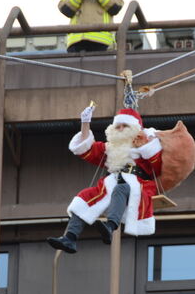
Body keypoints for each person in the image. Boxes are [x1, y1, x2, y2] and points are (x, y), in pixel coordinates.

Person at [47, 106, 163, 254]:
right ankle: (69, 238)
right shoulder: (110, 148)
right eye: (118, 126)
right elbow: (86, 149)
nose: (120, 129)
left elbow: (158, 167)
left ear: (135, 128)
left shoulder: (144, 146)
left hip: (139, 186)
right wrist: (85, 123)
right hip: (111, 183)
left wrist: (150, 144)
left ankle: (110, 226)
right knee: (84, 196)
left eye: (125, 126)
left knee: (121, 189)